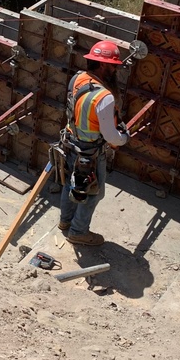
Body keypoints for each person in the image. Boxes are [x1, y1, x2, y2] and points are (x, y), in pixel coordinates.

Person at [58, 40, 129, 246]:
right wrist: (125, 137)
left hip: (70, 144)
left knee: (69, 184)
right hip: (89, 154)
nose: (115, 70)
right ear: (102, 65)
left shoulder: (77, 78)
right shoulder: (104, 97)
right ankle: (78, 232)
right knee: (92, 193)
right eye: (113, 66)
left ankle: (65, 222)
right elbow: (111, 136)